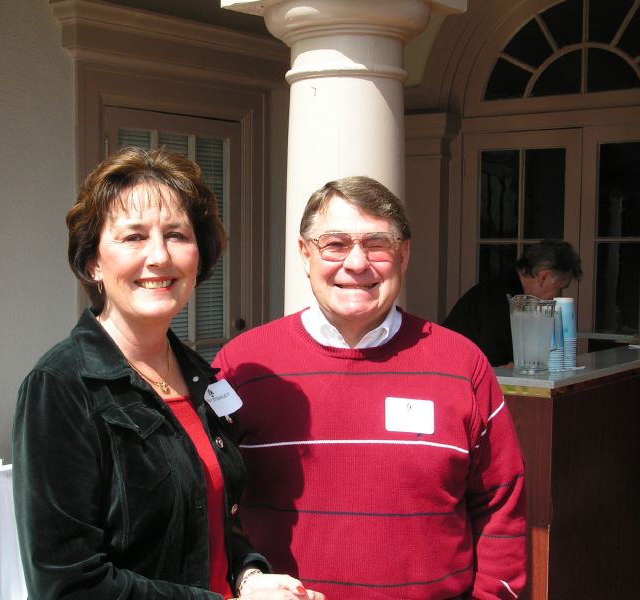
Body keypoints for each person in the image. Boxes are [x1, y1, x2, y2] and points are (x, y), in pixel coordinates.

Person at [12, 147, 325, 600]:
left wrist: (249, 577)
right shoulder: (61, 389)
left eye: (176, 235)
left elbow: (210, 516)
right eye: (134, 237)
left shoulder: (202, 378)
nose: (159, 256)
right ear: (93, 262)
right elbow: (69, 585)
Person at [213, 176, 527, 599]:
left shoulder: (462, 365)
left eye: (377, 244)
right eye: (335, 244)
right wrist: (243, 581)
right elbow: (206, 505)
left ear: (404, 254)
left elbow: (500, 504)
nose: (357, 263)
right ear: (305, 254)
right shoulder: (242, 368)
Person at [443, 239, 583, 367]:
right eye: (559, 288)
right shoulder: (501, 298)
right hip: (452, 376)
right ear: (543, 276)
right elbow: (497, 363)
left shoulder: (509, 289)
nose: (556, 297)